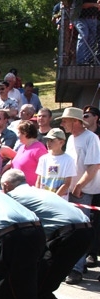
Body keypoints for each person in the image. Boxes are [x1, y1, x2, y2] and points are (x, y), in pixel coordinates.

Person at [0, 170, 94, 299]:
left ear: (6, 186)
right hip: (79, 231)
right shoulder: (36, 191)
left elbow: (4, 229)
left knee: (40, 291)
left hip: (68, 236)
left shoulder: (14, 197)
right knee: (33, 282)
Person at [60, 107, 100, 284]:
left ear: (75, 121)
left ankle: (76, 269)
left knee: (80, 230)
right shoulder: (71, 139)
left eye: (65, 121)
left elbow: (94, 166)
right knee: (71, 230)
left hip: (83, 192)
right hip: (70, 191)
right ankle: (75, 265)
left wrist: (79, 186)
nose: (62, 124)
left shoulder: (91, 138)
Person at [35, 128, 77, 199]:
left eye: (52, 140)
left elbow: (67, 184)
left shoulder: (69, 160)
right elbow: (38, 181)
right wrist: (37, 197)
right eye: (47, 140)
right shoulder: (43, 159)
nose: (48, 143)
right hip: (43, 199)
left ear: (61, 142)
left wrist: (54, 199)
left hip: (59, 201)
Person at [5, 121, 47, 186]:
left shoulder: (39, 149)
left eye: (19, 132)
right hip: (16, 187)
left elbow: (45, 170)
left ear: (25, 133)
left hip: (30, 189)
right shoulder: (22, 147)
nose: (17, 135)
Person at [74, 0, 99, 65]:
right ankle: (80, 61)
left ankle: (89, 60)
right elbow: (83, 5)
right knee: (84, 35)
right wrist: (94, 5)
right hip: (81, 18)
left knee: (92, 39)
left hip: (93, 19)